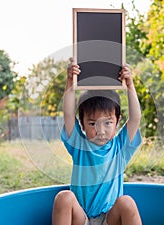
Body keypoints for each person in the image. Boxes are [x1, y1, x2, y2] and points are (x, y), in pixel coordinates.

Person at [52, 58, 142, 225]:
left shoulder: (119, 148)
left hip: (110, 219)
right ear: (82, 123)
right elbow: (68, 115)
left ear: (117, 121)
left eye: (108, 123)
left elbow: (135, 118)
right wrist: (70, 82)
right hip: (82, 219)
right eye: (93, 123)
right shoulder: (79, 144)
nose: (101, 131)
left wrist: (130, 85)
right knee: (64, 197)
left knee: (127, 202)